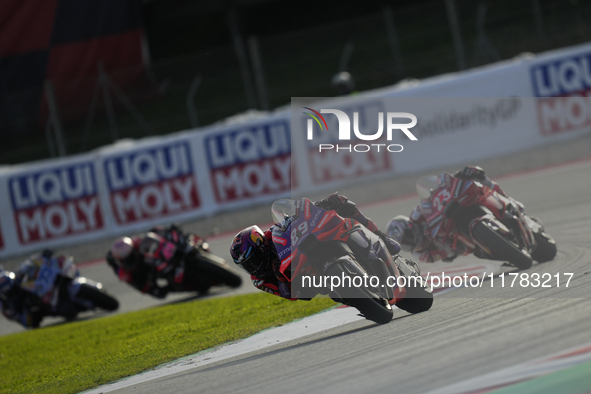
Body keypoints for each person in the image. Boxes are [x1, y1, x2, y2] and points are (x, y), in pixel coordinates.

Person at [230, 192, 401, 300]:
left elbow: (290, 220)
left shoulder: (271, 235)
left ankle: (382, 237)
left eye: (253, 260)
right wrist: (280, 276)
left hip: (307, 249)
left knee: (342, 202)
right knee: (333, 295)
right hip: (308, 282)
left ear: (261, 246)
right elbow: (291, 295)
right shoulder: (259, 280)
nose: (253, 267)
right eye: (247, 266)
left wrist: (319, 206)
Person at [386, 165, 523, 263]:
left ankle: (509, 200)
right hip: (460, 243)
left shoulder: (417, 215)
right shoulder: (421, 254)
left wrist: (454, 180)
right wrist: (439, 241)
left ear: (410, 226)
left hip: (451, 218)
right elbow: (448, 253)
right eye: (405, 245)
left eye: (408, 237)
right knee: (479, 253)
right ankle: (504, 251)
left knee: (478, 179)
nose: (410, 243)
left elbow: (431, 200)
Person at [106, 224, 195, 299]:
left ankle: (184, 246)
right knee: (158, 293)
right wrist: (151, 286)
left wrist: (168, 230)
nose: (129, 260)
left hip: (160, 258)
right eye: (126, 260)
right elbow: (140, 287)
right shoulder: (123, 271)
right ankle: (178, 284)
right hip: (150, 271)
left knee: (173, 230)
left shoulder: (137, 242)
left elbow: (153, 233)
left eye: (130, 256)